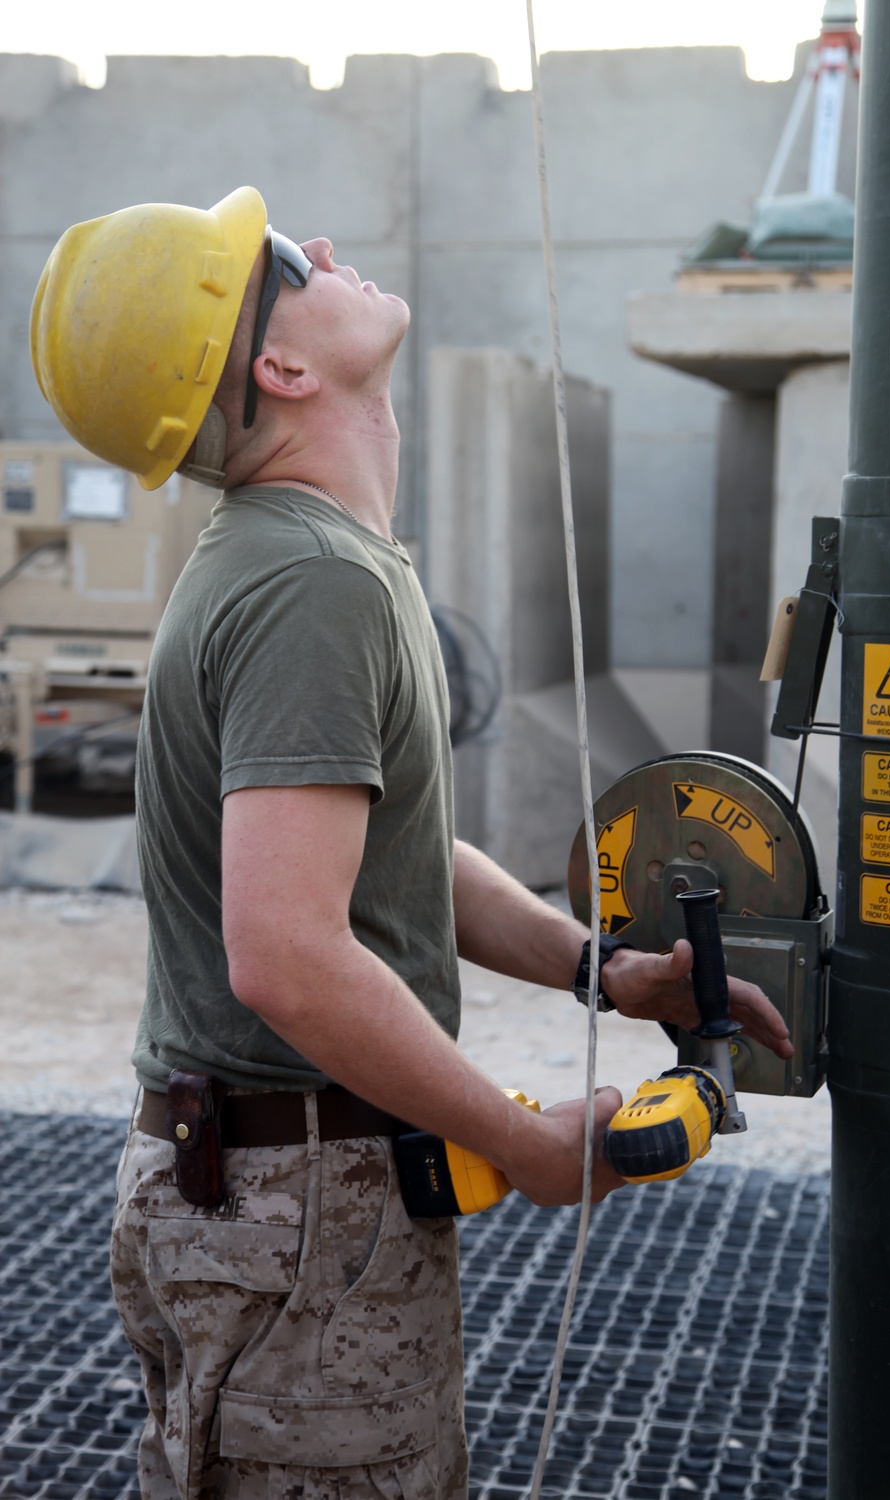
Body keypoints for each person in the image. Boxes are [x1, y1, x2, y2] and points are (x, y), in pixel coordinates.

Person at [31, 187, 792, 1500]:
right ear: (280, 365)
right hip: (296, 1217)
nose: (321, 248)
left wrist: (598, 972)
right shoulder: (307, 583)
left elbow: (395, 855)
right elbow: (285, 953)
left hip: (282, 1206)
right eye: (281, 261)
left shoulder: (315, 559)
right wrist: (525, 1135)